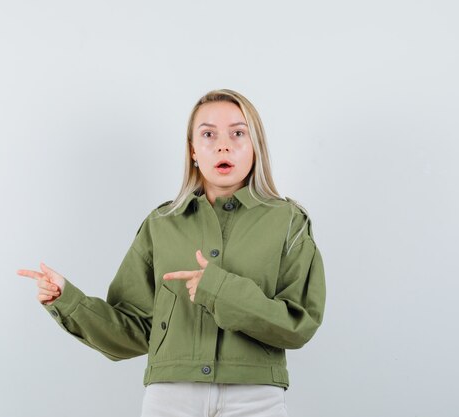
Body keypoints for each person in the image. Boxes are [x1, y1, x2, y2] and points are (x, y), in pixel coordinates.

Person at [17, 89, 326, 417]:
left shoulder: (289, 221)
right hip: (171, 398)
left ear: (255, 146)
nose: (223, 145)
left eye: (238, 133)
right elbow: (135, 330)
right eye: (208, 134)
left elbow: (298, 324)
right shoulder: (161, 224)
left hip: (254, 396)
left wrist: (218, 290)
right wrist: (68, 299)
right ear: (193, 151)